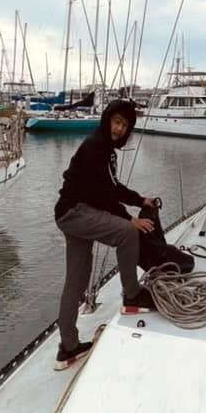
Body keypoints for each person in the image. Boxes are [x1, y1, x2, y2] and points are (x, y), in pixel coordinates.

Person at [53, 98, 158, 369]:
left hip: (71, 213)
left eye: (125, 125)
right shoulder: (96, 146)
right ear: (108, 119)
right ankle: (132, 296)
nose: (120, 129)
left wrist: (140, 200)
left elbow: (112, 187)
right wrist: (129, 219)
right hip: (76, 211)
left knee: (77, 279)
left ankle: (68, 347)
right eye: (117, 122)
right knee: (127, 233)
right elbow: (102, 193)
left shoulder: (105, 149)